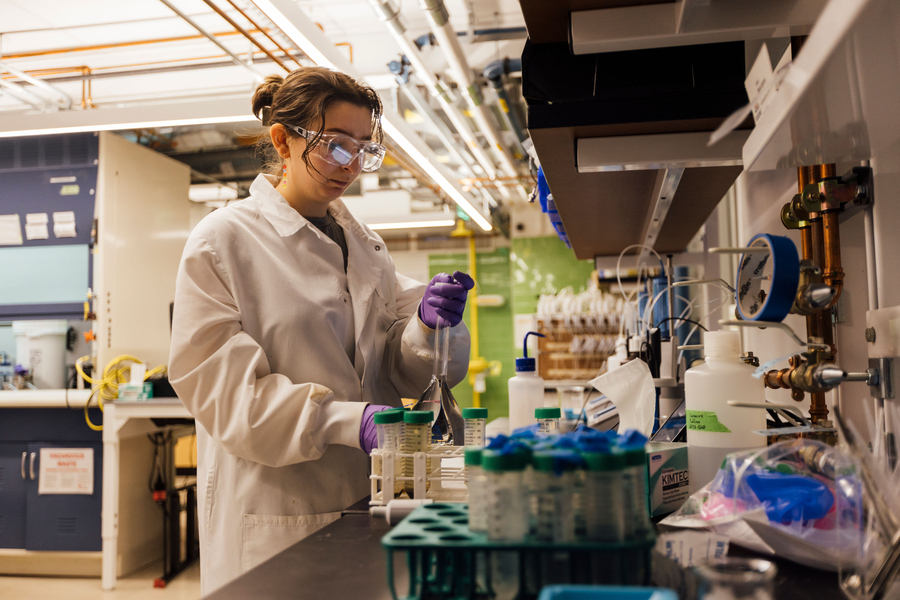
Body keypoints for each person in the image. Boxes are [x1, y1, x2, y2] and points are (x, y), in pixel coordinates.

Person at [169, 66, 474, 595]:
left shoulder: (364, 247)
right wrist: (345, 422)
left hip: (366, 504)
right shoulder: (223, 241)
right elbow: (224, 395)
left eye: (364, 148)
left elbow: (399, 368)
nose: (351, 164)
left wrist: (424, 326)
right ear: (282, 140)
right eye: (335, 145)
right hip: (274, 513)